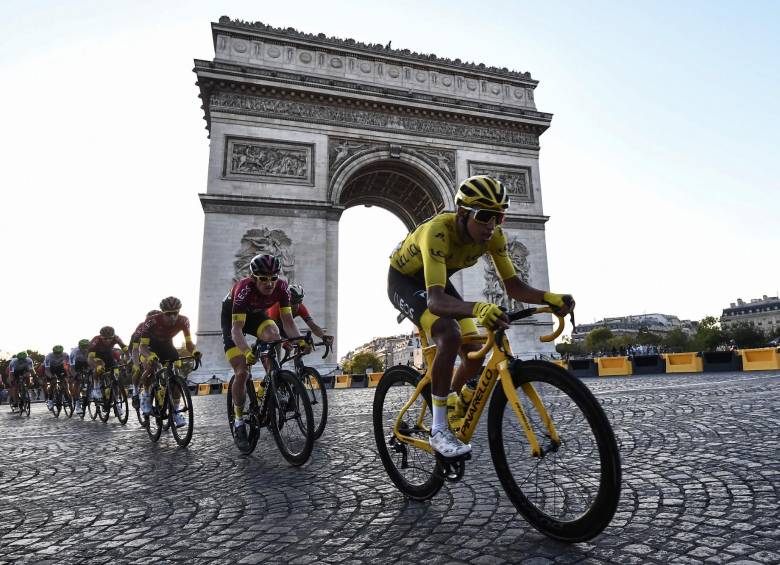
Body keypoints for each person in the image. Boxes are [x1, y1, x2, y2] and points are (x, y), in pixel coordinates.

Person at [387, 175, 575, 458]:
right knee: (449, 334)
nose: (491, 225)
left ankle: (451, 398)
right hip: (404, 281)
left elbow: (514, 287)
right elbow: (437, 301)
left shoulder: (494, 237)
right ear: (462, 213)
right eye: (484, 216)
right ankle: (439, 429)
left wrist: (548, 297)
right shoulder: (437, 232)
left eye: (498, 217)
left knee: (474, 355)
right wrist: (478, 308)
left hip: (437, 280)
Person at [221, 253, 309, 451]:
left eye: (273, 277)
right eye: (263, 278)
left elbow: (288, 322)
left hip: (256, 316)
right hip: (233, 320)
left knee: (274, 333)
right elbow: (236, 330)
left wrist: (300, 341)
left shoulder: (282, 287)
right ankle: (238, 422)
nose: (269, 283)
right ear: (254, 278)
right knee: (242, 372)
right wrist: (245, 351)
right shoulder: (244, 289)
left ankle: (272, 380)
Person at [137, 297, 199, 426]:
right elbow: (142, 347)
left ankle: (175, 411)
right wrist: (149, 356)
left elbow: (189, 343)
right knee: (151, 367)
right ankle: (146, 395)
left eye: (175, 313)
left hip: (166, 345)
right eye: (168, 314)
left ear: (179, 311)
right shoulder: (151, 321)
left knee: (175, 377)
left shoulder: (184, 320)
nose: (172, 317)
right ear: (162, 312)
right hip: (150, 347)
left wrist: (195, 352)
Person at [266, 284, 334, 349]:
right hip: (269, 325)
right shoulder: (276, 306)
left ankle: (297, 358)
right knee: (275, 344)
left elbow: (312, 325)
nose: (296, 305)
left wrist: (323, 336)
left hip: (284, 326)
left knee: (300, 341)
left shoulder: (301, 307)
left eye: (299, 301)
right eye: (293, 301)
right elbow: (273, 329)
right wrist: (283, 341)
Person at [128, 310, 161, 409]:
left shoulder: (163, 327)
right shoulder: (141, 328)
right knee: (140, 368)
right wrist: (136, 363)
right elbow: (135, 349)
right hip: (137, 349)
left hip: (156, 349)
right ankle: (136, 391)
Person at [87, 326, 127, 401]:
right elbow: (90, 358)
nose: (108, 340)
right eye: (105, 338)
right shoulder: (96, 340)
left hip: (108, 355)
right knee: (100, 365)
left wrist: (129, 359)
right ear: (101, 336)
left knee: (116, 373)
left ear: (113, 336)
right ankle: (96, 388)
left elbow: (125, 348)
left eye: (110, 338)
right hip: (95, 356)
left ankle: (116, 399)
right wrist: (95, 366)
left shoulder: (116, 338)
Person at [43, 345, 70, 411]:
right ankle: (50, 400)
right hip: (51, 369)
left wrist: (68, 374)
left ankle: (66, 396)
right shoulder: (48, 356)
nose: (58, 355)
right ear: (53, 352)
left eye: (59, 353)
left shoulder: (65, 355)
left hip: (60, 367)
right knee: (53, 382)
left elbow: (68, 366)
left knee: (64, 381)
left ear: (62, 352)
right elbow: (47, 370)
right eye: (56, 353)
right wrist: (51, 376)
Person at [69, 339, 91, 415]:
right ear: (79, 347)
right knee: (77, 381)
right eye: (83, 347)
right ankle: (77, 404)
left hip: (86, 362)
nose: (85, 349)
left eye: (86, 347)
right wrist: (75, 375)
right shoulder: (74, 352)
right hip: (76, 365)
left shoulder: (91, 349)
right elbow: (72, 368)